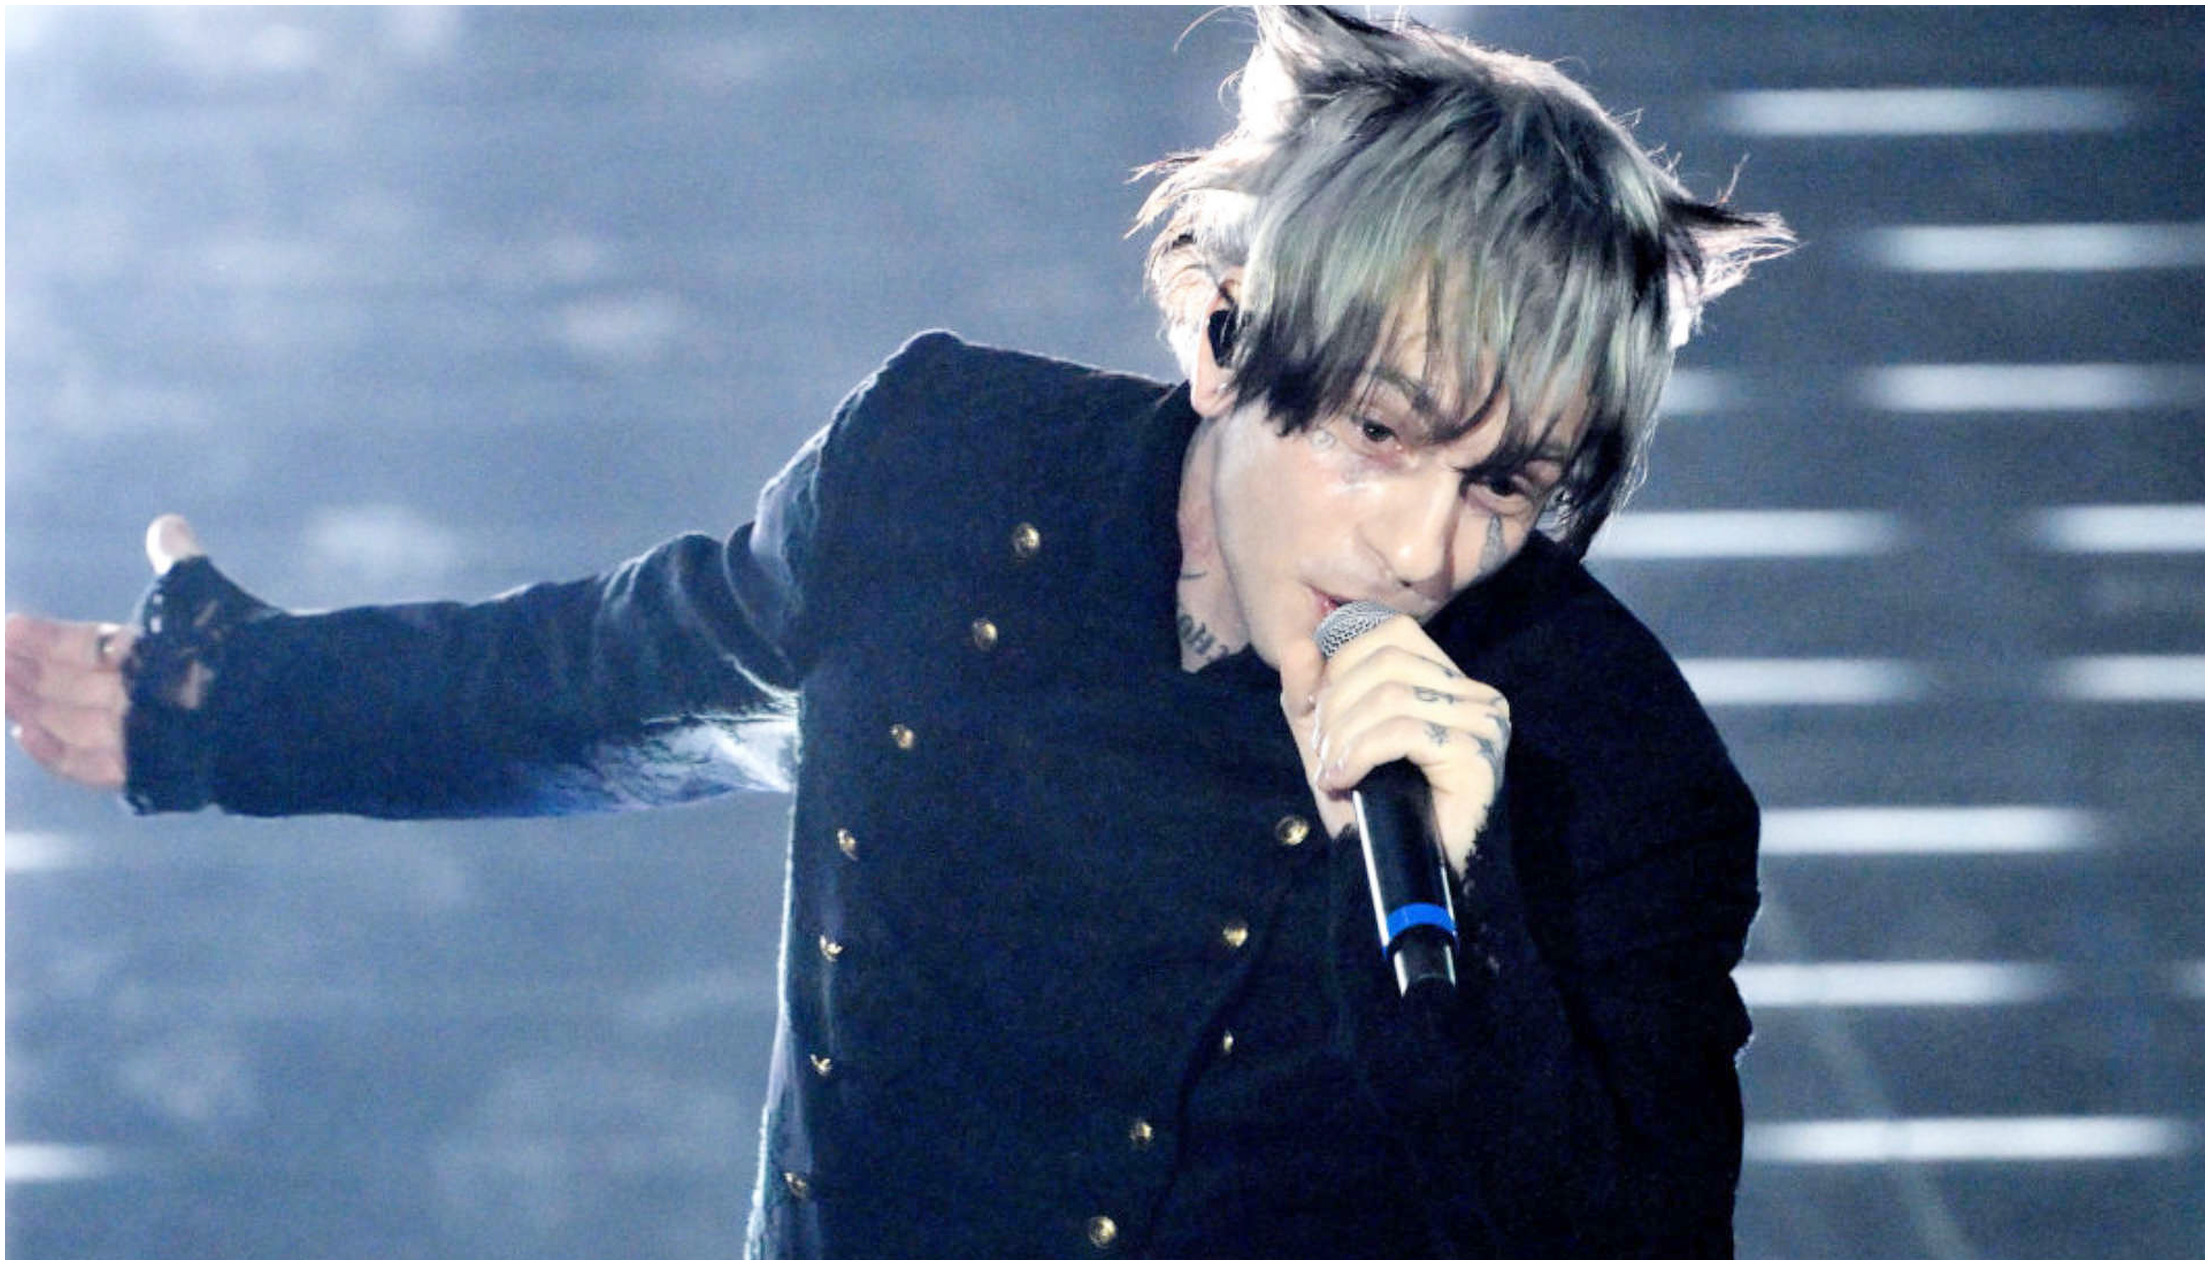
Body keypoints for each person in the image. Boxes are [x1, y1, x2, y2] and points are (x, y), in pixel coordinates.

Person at [6, 7, 1792, 1257]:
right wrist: (222, 705)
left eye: (1504, 485)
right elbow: (609, 679)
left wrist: (1464, 917)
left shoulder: (1619, 766)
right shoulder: (949, 470)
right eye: (1379, 435)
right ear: (1223, 332)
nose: (1419, 544)